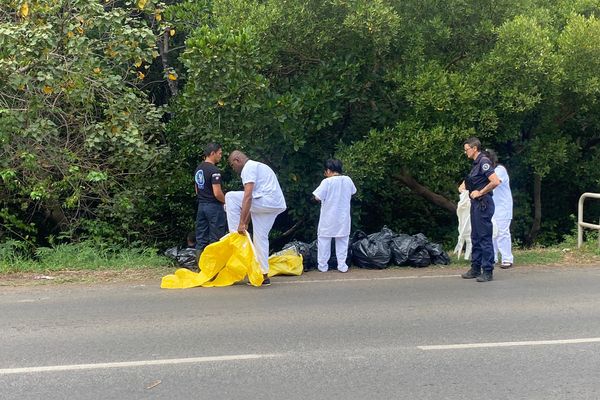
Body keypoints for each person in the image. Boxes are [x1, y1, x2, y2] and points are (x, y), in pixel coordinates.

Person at [225, 150, 287, 286]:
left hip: (266, 201)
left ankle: (235, 237)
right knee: (260, 238)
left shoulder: (248, 168)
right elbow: (250, 203)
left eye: (232, 165)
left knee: (230, 197)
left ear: (237, 160)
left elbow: (248, 196)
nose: (233, 168)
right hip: (273, 204)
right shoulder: (258, 166)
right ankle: (263, 275)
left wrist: (241, 224)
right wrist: (245, 223)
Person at [460, 137, 501, 282]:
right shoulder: (476, 164)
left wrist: (480, 192)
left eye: (467, 150)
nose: (466, 153)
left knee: (484, 237)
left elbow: (495, 181)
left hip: (483, 203)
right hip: (476, 204)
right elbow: (474, 180)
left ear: (474, 148)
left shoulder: (483, 162)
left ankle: (487, 270)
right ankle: (475, 268)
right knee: (475, 237)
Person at [312, 159, 357, 273]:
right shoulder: (348, 180)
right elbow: (353, 192)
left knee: (324, 241)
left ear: (328, 170)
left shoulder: (327, 182)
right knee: (342, 240)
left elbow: (317, 197)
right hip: (343, 217)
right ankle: (342, 265)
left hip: (328, 217)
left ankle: (323, 266)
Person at [194, 143, 227, 256]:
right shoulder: (214, 170)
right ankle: (214, 269)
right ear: (212, 153)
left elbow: (197, 189)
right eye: (219, 153)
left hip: (201, 206)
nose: (220, 156)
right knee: (216, 238)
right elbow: (217, 192)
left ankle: (201, 269)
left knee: (201, 238)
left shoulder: (198, 169)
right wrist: (226, 201)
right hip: (213, 207)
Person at [485, 149, 514, 269]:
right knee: (493, 233)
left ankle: (507, 258)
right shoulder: (488, 172)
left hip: (503, 207)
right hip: (492, 207)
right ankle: (493, 257)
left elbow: (494, 182)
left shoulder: (500, 170)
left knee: (502, 233)